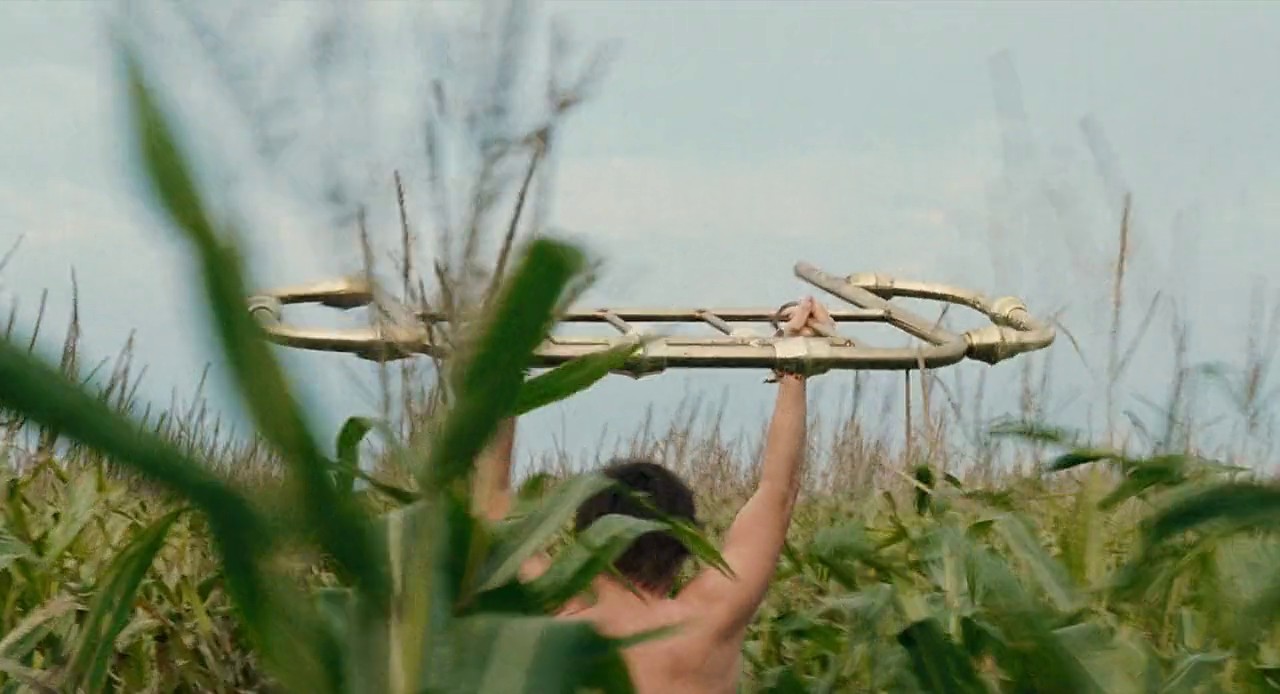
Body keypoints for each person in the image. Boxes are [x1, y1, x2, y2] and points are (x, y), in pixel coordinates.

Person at [474, 296, 835, 694]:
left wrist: (507, 363)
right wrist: (793, 368)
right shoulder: (708, 621)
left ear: (587, 538)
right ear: (685, 541)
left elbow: (492, 503)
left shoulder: (559, 623)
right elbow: (777, 493)